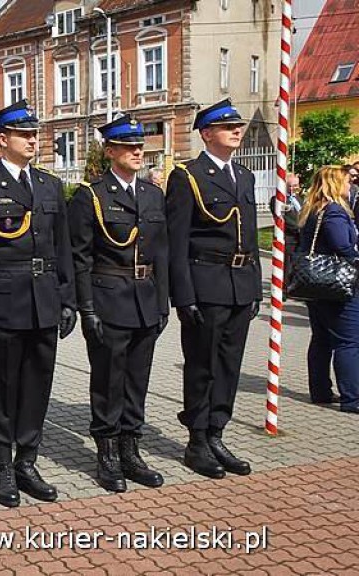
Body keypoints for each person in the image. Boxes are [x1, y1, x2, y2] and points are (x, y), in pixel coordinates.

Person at [0, 100, 76, 507]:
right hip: (5, 303)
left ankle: (28, 460)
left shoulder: (48, 186)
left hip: (43, 301)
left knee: (38, 385)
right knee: (3, 387)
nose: (32, 139)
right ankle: (3, 464)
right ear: (2, 139)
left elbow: (62, 249)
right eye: (24, 134)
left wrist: (66, 298)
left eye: (34, 133)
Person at [68, 115, 168, 493]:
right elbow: (80, 257)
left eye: (139, 145)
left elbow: (162, 254)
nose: (137, 151)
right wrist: (86, 307)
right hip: (109, 298)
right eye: (128, 146)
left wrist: (162, 303)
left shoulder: (152, 195)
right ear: (110, 151)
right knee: (109, 381)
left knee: (137, 381)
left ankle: (131, 450)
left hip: (145, 298)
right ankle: (107, 454)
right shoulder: (90, 196)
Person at [165, 99, 261, 479]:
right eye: (227, 126)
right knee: (202, 367)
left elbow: (250, 238)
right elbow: (177, 241)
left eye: (237, 126)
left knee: (229, 367)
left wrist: (255, 289)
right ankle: (197, 441)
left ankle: (218, 432)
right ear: (206, 134)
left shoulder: (246, 176)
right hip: (206, 285)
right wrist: (183, 296)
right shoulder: (188, 176)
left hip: (240, 286)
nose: (236, 131)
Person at [298, 166, 358, 411]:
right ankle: (352, 398)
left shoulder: (312, 209)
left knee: (321, 339)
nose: (350, 185)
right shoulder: (333, 211)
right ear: (335, 184)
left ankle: (320, 391)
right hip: (337, 284)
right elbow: (342, 246)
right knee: (349, 341)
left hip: (316, 284)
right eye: (347, 181)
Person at [269, 172, 303, 280]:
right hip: (289, 238)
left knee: (297, 265)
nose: (293, 189)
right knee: (287, 265)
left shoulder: (300, 199)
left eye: (295, 186)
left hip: (301, 238)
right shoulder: (278, 200)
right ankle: (284, 289)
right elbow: (283, 219)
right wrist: (299, 228)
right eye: (290, 186)